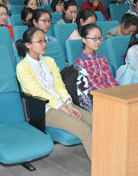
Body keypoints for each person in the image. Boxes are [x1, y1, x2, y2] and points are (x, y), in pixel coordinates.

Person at [16, 28, 93, 161]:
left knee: (98, 122)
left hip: (62, 104)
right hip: (44, 110)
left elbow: (59, 85)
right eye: (39, 41)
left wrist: (69, 104)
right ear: (28, 45)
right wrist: (64, 109)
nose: (44, 44)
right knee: (84, 129)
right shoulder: (22, 67)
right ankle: (102, 171)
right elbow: (38, 93)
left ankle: (111, 160)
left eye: (45, 41)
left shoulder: (49, 61)